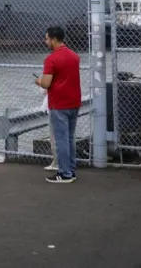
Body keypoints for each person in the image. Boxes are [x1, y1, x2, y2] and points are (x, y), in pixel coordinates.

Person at [35, 26, 81, 184]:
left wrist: (38, 81)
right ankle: (71, 169)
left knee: (61, 139)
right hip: (74, 102)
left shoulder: (51, 59)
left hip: (59, 103)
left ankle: (64, 173)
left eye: (47, 38)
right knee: (69, 138)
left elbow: (46, 83)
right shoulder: (74, 56)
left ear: (54, 39)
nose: (45, 41)